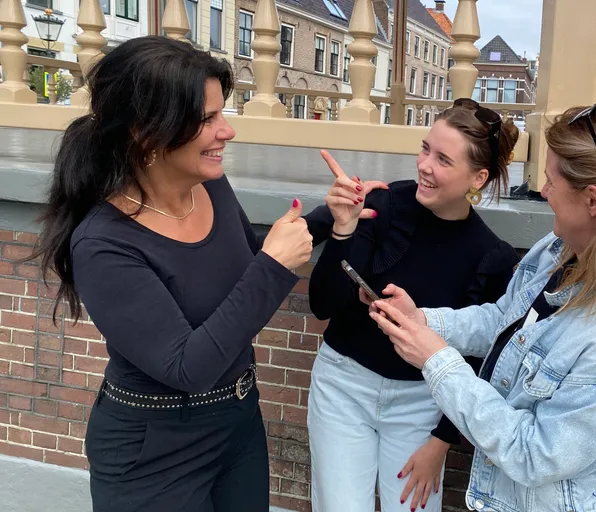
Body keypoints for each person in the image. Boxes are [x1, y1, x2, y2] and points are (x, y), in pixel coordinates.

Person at [27, 36, 380, 512]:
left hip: (237, 424)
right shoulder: (104, 244)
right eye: (207, 119)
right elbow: (187, 368)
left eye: (222, 114)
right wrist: (274, 266)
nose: (227, 131)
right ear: (146, 132)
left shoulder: (208, 186)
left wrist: (327, 217)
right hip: (154, 450)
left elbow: (241, 265)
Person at [368, 97, 596, 512]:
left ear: (592, 200)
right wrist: (424, 320)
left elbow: (534, 453)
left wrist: (437, 361)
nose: (542, 191)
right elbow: (503, 319)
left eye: (550, 181)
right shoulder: (559, 250)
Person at [306, 99, 521, 512]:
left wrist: (441, 442)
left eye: (443, 159)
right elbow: (322, 303)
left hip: (422, 404)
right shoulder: (385, 204)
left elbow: (480, 360)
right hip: (343, 386)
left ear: (478, 177)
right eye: (425, 149)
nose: (424, 165)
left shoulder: (489, 255)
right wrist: (344, 229)